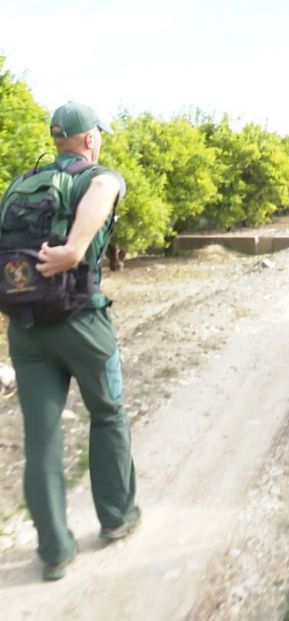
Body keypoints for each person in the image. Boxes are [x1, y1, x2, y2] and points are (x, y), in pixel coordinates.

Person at [2, 101, 141, 581]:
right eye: (96, 134)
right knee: (108, 413)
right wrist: (76, 249)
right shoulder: (95, 175)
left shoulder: (21, 184)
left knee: (41, 437)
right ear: (88, 139)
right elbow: (106, 187)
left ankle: (55, 551)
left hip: (25, 327)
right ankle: (117, 518)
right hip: (81, 320)